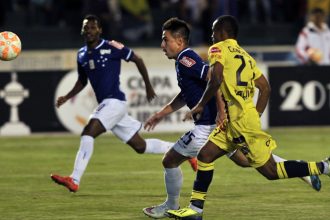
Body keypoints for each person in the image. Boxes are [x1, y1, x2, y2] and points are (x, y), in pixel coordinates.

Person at [142, 17, 321, 219]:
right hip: (224, 124)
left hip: (208, 126)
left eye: (165, 40)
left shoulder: (186, 58)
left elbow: (213, 78)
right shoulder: (187, 61)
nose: (162, 45)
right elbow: (187, 94)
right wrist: (160, 114)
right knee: (247, 160)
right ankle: (304, 170)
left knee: (170, 160)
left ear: (180, 41)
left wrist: (220, 110)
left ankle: (174, 206)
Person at [50, 14, 196, 193]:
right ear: (82, 30)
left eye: (93, 27)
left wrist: (148, 86)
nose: (89, 30)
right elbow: (82, 80)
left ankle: (74, 179)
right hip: (108, 105)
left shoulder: (111, 46)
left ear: (100, 30)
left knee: (88, 131)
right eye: (86, 27)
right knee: (140, 146)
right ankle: (184, 151)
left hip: (114, 102)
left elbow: (138, 59)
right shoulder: (81, 54)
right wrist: (67, 96)